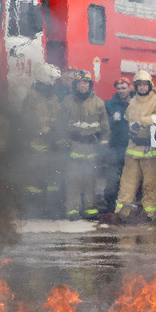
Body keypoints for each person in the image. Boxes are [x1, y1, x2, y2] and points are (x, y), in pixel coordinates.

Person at [113, 70, 156, 223]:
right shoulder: (133, 102)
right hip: (133, 148)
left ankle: (149, 212)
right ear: (136, 87)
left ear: (150, 85)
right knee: (127, 182)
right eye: (140, 85)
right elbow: (127, 118)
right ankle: (122, 210)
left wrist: (144, 121)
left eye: (145, 85)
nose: (142, 88)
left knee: (150, 183)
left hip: (149, 149)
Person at [58, 70, 109, 220]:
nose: (83, 86)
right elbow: (60, 126)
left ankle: (91, 211)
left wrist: (103, 147)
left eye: (86, 83)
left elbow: (105, 128)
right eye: (80, 83)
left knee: (90, 181)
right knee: (73, 180)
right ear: (75, 85)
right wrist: (63, 144)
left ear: (90, 85)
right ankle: (72, 211)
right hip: (73, 147)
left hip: (91, 148)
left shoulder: (99, 103)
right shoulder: (67, 102)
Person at [18, 62, 64, 218]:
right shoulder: (32, 98)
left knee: (52, 180)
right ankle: (33, 209)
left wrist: (56, 136)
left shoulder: (53, 97)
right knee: (34, 181)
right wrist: (43, 132)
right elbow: (28, 122)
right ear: (45, 78)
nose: (55, 82)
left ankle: (51, 209)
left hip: (52, 146)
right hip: (36, 147)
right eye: (53, 78)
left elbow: (58, 119)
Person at [103, 77, 132, 212]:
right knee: (113, 176)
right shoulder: (110, 104)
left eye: (124, 88)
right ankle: (109, 205)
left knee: (130, 178)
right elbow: (103, 121)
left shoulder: (136, 103)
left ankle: (127, 205)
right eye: (119, 88)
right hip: (115, 146)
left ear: (129, 88)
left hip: (132, 146)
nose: (121, 91)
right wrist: (112, 119)